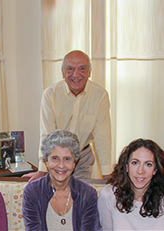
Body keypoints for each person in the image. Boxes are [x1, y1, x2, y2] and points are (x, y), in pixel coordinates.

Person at [23, 50, 111, 182]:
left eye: (82, 68)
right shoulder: (50, 95)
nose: (76, 74)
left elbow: (102, 137)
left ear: (89, 72)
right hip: (56, 157)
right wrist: (42, 169)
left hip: (82, 157)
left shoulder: (100, 96)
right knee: (56, 197)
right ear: (63, 72)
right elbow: (46, 134)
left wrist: (108, 174)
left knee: (79, 197)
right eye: (70, 69)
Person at [22, 129, 100, 231]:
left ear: (74, 163)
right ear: (46, 162)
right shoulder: (32, 191)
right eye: (55, 158)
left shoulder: (88, 194)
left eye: (67, 159)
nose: (61, 165)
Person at [97, 138, 164, 230]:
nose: (140, 171)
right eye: (135, 163)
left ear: (155, 170)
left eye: (148, 164)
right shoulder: (108, 195)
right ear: (126, 167)